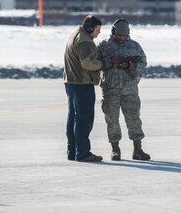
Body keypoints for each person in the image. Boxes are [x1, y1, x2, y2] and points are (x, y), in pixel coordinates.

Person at [97, 18, 151, 161]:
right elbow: (96, 63)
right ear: (113, 32)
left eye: (124, 35)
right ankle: (115, 149)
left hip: (130, 89)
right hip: (110, 89)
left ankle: (138, 149)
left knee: (134, 118)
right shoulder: (104, 46)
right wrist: (110, 62)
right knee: (112, 119)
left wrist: (130, 66)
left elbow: (143, 62)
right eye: (118, 35)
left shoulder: (135, 46)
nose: (121, 38)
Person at [63, 15, 103, 162]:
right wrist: (102, 63)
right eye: (98, 29)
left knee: (73, 117)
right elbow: (87, 63)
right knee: (84, 118)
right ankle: (83, 152)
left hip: (71, 82)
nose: (99, 33)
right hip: (82, 83)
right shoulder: (85, 41)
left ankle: (72, 151)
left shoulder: (75, 35)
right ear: (91, 28)